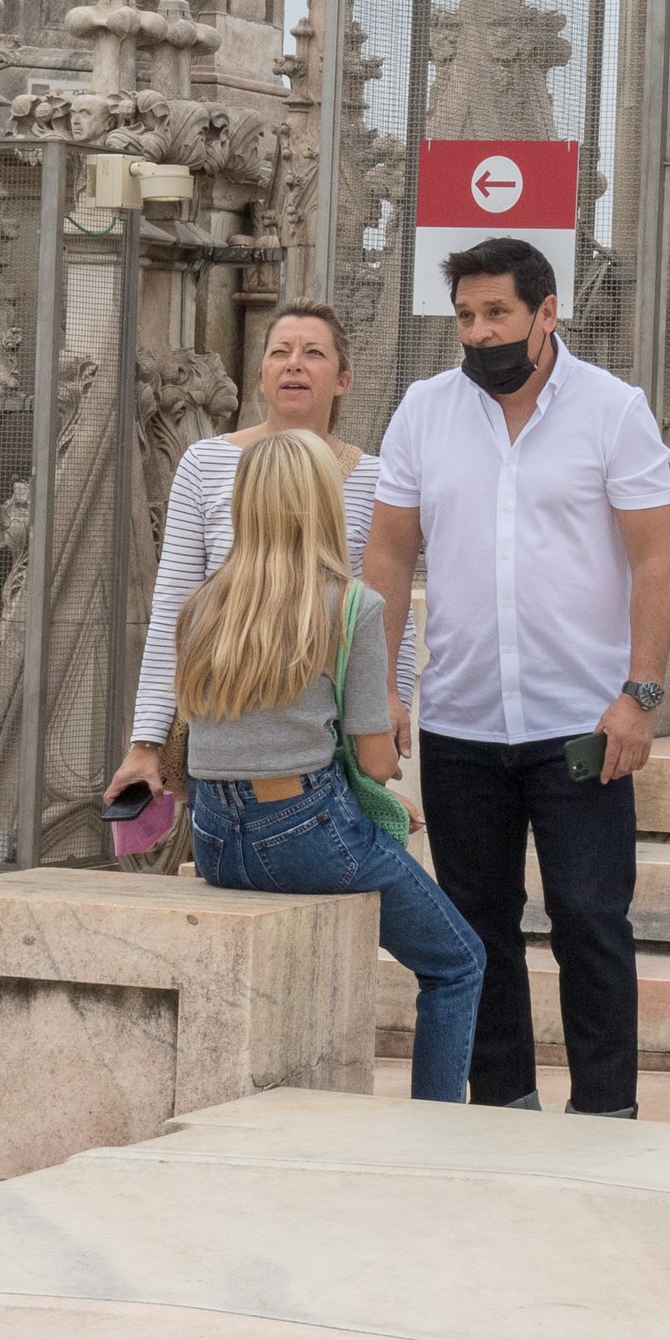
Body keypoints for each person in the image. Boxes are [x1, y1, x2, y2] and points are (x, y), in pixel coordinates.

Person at [360, 236, 670, 1116]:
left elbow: (655, 561)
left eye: (497, 312)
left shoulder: (614, 411)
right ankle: (503, 1108)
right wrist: (380, 688)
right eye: (466, 316)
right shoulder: (424, 411)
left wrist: (642, 694)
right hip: (460, 721)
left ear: (547, 313)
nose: (479, 332)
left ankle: (606, 1113)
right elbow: (387, 557)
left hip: (582, 721)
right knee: (476, 927)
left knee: (589, 919)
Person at [166, 430, 487, 1104]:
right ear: (323, 505)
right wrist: (382, 789)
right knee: (458, 961)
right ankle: (436, 1128)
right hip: (305, 834)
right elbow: (375, 758)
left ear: (246, 505)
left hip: (215, 838)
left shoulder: (203, 606)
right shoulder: (352, 604)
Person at [112, 302, 389, 821]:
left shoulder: (375, 478)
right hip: (225, 725)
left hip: (329, 729)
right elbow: (173, 606)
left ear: (343, 380)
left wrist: (393, 701)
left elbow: (385, 607)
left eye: (313, 353)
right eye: (280, 352)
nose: (294, 364)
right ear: (260, 377)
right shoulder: (206, 462)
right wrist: (146, 742)